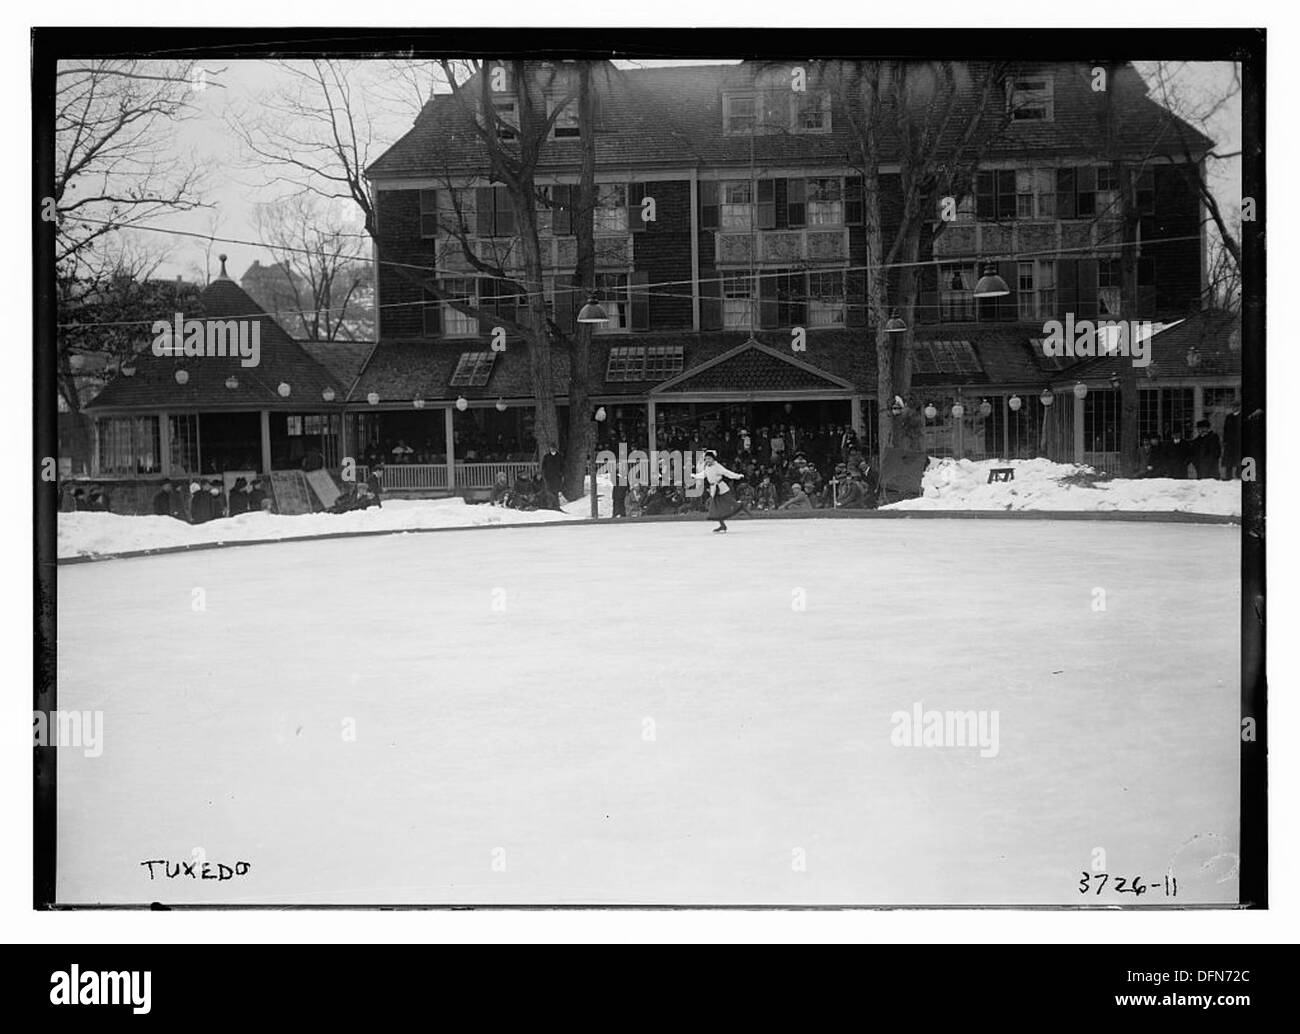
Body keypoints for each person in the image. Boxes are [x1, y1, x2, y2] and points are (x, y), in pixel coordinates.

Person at [691, 449, 745, 533]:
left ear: (713, 459)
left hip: (721, 488)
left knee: (730, 502)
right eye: (706, 459)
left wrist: (737, 476)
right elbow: (704, 474)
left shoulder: (717, 466)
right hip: (714, 490)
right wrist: (695, 476)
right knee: (716, 509)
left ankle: (741, 506)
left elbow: (727, 473)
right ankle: (722, 525)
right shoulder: (707, 467)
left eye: (709, 458)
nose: (707, 460)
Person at [1222, 402, 1241, 479]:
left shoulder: (1241, 416)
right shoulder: (1228, 417)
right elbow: (1225, 429)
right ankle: (1228, 476)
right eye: (1233, 406)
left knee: (1238, 459)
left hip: (1239, 442)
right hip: (1230, 442)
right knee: (1228, 461)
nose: (1234, 408)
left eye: (1236, 406)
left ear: (1239, 407)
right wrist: (1225, 440)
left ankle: (1238, 475)